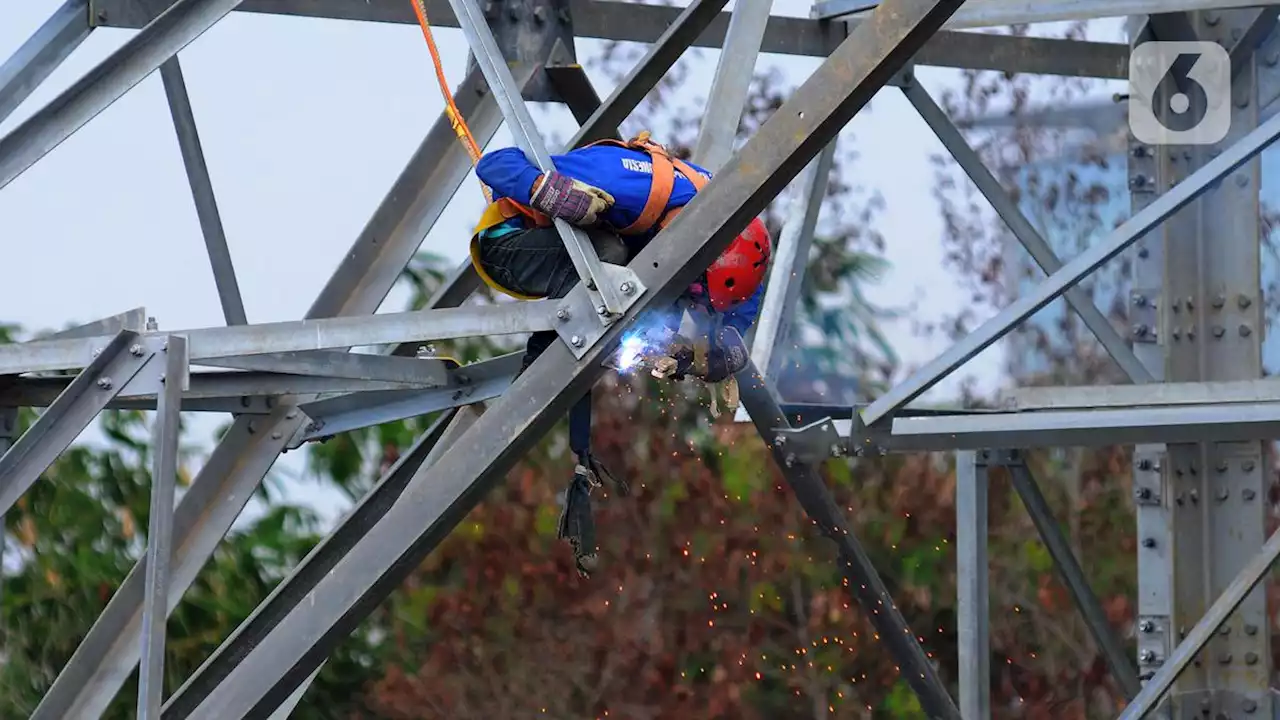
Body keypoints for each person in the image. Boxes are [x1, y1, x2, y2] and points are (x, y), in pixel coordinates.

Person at [469, 132, 772, 577]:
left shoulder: (733, 232)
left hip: (587, 261)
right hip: (508, 244)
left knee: (634, 283)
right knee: (612, 259)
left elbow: (741, 297)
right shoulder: (634, 184)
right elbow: (494, 165)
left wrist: (723, 352)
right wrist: (549, 193)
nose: (688, 308)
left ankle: (583, 338)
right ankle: (540, 373)